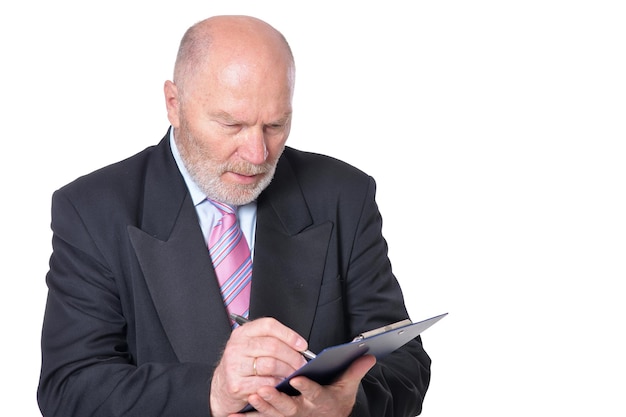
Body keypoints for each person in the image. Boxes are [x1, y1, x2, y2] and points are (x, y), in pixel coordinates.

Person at [37, 15, 431, 417]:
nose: (258, 155)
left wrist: (345, 406)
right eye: (231, 124)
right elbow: (69, 388)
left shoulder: (343, 194)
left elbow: (405, 362)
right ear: (174, 104)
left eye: (276, 125)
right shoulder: (91, 210)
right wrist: (211, 393)